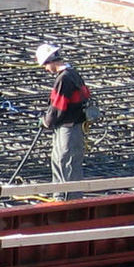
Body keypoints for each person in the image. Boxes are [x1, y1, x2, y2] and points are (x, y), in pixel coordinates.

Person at [36, 43, 92, 184]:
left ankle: (66, 199)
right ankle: (67, 198)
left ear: (50, 61)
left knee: (64, 163)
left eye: (45, 65)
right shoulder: (73, 73)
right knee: (68, 163)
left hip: (68, 129)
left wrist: (46, 121)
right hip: (76, 127)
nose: (46, 69)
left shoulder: (63, 79)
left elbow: (58, 107)